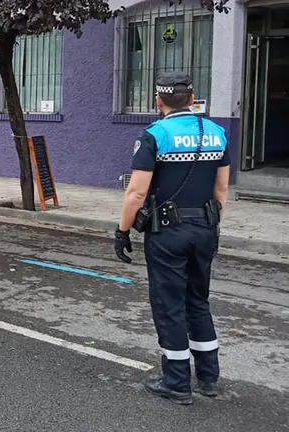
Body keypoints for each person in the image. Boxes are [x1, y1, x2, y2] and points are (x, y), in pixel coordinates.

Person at [113, 72, 230, 405]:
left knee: (169, 304)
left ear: (158, 101)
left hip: (168, 232)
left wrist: (122, 230)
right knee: (198, 300)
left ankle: (177, 381)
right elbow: (221, 189)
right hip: (205, 227)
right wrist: (211, 226)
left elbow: (136, 193)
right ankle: (208, 377)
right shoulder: (217, 132)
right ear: (192, 100)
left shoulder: (154, 135)